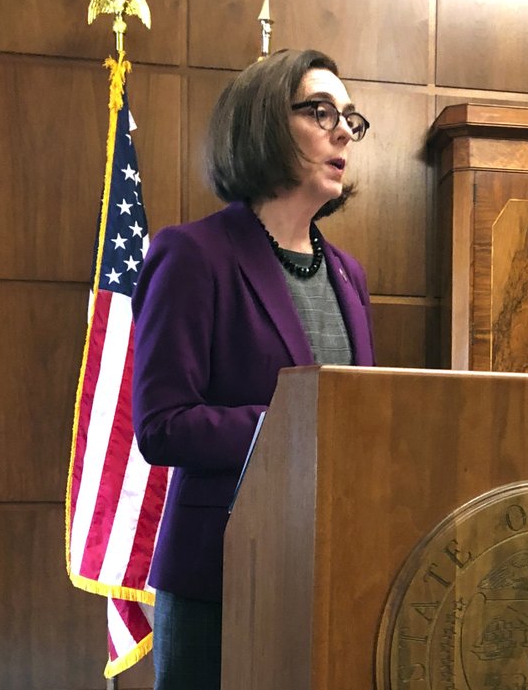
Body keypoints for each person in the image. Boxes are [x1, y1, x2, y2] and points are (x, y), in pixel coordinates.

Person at [132, 49, 375, 690]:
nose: (343, 129)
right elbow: (162, 426)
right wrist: (292, 426)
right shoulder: (194, 254)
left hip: (332, 570)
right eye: (321, 111)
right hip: (222, 576)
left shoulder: (350, 274)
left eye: (350, 117)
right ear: (264, 123)